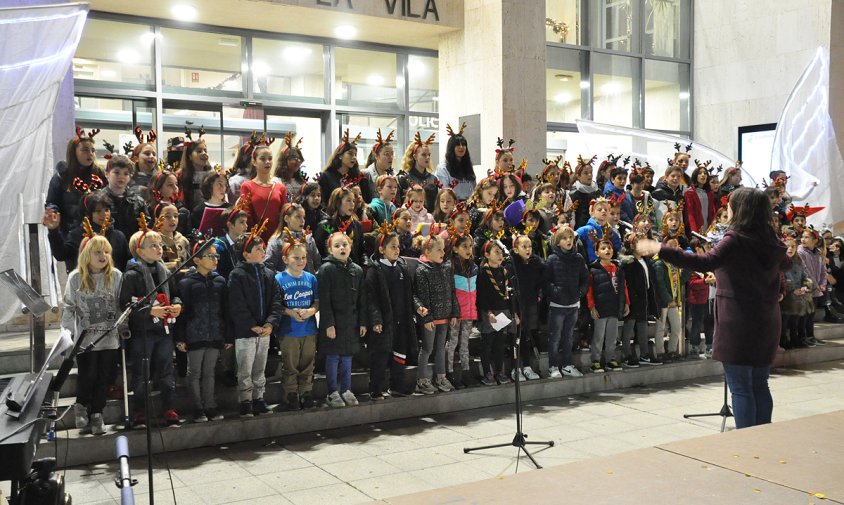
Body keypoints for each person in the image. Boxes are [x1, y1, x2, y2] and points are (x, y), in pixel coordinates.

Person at [636, 187, 789, 429]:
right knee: (760, 383)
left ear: (741, 210)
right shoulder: (771, 240)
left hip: (738, 319)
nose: (727, 208)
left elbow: (704, 262)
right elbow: (784, 266)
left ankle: (748, 439)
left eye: (731, 205)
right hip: (767, 319)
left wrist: (659, 248)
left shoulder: (736, 239)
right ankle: (764, 438)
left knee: (740, 388)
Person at [120, 219, 183, 427]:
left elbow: (174, 294)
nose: (159, 249)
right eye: (153, 246)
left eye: (160, 245)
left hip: (164, 329)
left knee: (166, 371)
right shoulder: (131, 275)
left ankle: (169, 407)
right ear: (140, 250)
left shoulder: (164, 271)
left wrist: (176, 305)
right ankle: (139, 411)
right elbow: (126, 305)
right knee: (141, 373)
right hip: (143, 332)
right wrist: (149, 311)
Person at [64, 235, 124, 435]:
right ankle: (81, 405)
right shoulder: (75, 277)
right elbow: (69, 307)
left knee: (104, 377)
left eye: (106, 251)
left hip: (109, 338)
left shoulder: (115, 276)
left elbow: (120, 306)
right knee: (88, 375)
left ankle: (97, 413)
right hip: (85, 340)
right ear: (86, 255)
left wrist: (123, 327)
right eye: (97, 251)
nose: (103, 255)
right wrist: (68, 335)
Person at [227, 224, 284, 417]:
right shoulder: (237, 275)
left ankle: (259, 398)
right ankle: (245, 401)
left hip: (265, 331)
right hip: (246, 332)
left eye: (263, 248)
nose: (262, 252)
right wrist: (252, 324)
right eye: (258, 249)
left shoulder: (268, 274)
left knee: (260, 368)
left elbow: (277, 300)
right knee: (245, 368)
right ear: (246, 254)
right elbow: (236, 304)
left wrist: (270, 323)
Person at [175, 241, 227, 423]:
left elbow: (225, 311)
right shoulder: (187, 283)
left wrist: (226, 334)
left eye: (216, 256)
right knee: (194, 372)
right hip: (194, 333)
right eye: (210, 256)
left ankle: (210, 405)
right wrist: (180, 337)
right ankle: (198, 408)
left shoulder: (220, 281)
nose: (215, 260)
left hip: (214, 333)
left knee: (210, 371)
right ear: (197, 260)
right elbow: (182, 313)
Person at [363, 225, 417, 399]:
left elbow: (409, 295)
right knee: (380, 356)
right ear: (381, 249)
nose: (397, 249)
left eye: (398, 246)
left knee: (399, 354)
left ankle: (397, 385)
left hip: (401, 320)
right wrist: (376, 320)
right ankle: (375, 388)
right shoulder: (375, 270)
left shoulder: (402, 269)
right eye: (392, 246)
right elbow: (370, 299)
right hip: (384, 322)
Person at [317, 232, 367, 408]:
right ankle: (332, 392)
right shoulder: (326, 270)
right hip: (333, 323)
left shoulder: (357, 271)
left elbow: (362, 299)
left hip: (351, 322)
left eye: (344, 245)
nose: (342, 248)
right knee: (333, 356)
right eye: (337, 246)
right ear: (330, 249)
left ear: (351, 247)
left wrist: (362, 321)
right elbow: (325, 300)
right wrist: (329, 323)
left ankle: (346, 389)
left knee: (347, 355)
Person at [275, 234, 320, 410]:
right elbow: (276, 305)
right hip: (288, 331)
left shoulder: (311, 278)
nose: (300, 261)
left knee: (308, 363)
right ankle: (291, 393)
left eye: (303, 257)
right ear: (285, 259)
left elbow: (316, 301)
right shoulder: (278, 279)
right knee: (290, 365)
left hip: (308, 329)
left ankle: (306, 391)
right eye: (296, 258)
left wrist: (311, 311)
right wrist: (290, 312)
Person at [413, 235, 460, 394]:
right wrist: (426, 318)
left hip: (445, 316)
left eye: (443, 249)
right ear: (427, 252)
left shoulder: (447, 268)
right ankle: (422, 380)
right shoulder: (422, 270)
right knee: (427, 348)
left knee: (441, 348)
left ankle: (440, 377)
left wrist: (454, 313)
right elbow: (421, 296)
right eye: (438, 250)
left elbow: (452, 292)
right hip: (430, 319)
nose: (442, 252)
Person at [44, 129, 108, 240]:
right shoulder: (61, 177)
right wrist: (52, 212)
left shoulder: (100, 175)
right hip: (71, 233)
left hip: (99, 232)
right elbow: (52, 202)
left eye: (93, 150)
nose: (90, 154)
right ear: (73, 152)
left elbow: (107, 201)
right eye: (85, 150)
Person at [47, 192, 131, 273]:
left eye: (107, 210)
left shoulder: (118, 236)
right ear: (87, 214)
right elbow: (61, 255)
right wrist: (53, 230)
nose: (104, 214)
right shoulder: (77, 235)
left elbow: (126, 263)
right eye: (98, 211)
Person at [544, 225, 588, 378]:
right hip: (557, 306)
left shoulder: (578, 258)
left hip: (573, 304)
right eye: (564, 238)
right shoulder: (552, 259)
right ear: (558, 242)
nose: (568, 240)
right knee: (555, 337)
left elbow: (585, 278)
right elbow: (546, 281)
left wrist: (580, 292)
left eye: (570, 237)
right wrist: (555, 293)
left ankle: (568, 365)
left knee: (569, 337)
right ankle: (553, 366)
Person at [476, 240, 519, 385]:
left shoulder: (504, 271)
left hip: (503, 311)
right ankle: (487, 372)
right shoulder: (483, 272)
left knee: (500, 344)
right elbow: (482, 295)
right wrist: (488, 312)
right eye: (496, 252)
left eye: (501, 252)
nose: (500, 255)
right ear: (487, 255)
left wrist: (514, 313)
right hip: (490, 312)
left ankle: (499, 371)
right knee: (487, 343)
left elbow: (509, 295)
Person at [586, 234, 629, 373]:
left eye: (609, 248)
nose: (607, 250)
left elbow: (624, 287)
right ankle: (596, 360)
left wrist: (626, 303)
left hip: (614, 307)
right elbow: (589, 290)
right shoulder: (593, 270)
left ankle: (611, 359)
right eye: (603, 248)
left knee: (612, 335)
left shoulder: (618, 269)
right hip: (601, 307)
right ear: (597, 253)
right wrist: (592, 306)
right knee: (599, 336)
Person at [620, 232, 661, 367]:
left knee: (643, 328)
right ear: (632, 245)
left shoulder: (646, 262)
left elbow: (649, 283)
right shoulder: (629, 263)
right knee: (629, 328)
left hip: (644, 300)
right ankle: (626, 355)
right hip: (632, 301)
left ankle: (644, 355)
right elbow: (628, 284)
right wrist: (629, 301)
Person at [446, 233, 479, 388]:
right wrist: (453, 311)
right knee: (452, 342)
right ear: (455, 248)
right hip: (455, 314)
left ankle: (466, 372)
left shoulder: (474, 267)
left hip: (469, 313)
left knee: (464, 344)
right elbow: (450, 292)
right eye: (464, 246)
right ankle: (449, 372)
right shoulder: (450, 267)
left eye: (470, 246)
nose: (468, 249)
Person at [240, 139, 288, 244]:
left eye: (270, 159)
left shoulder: (280, 187)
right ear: (254, 161)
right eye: (263, 159)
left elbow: (285, 214)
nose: (267, 162)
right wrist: (255, 237)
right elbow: (246, 214)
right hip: (255, 239)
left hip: (277, 239)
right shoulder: (247, 186)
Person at [511, 234, 543, 381]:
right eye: (524, 246)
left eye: (529, 246)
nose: (528, 249)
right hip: (516, 305)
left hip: (530, 303)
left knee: (527, 335)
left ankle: (527, 366)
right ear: (516, 250)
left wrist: (539, 296)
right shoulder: (511, 265)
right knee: (516, 336)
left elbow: (540, 283)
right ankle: (515, 368)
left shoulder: (535, 263)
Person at [264, 202, 321, 275]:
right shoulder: (277, 240)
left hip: (308, 284)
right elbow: (268, 266)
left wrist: (313, 278)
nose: (302, 221)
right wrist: (284, 278)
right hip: (286, 284)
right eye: (298, 217)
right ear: (286, 218)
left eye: (303, 217)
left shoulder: (308, 238)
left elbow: (317, 262)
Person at [313, 187, 364, 266]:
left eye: (353, 201)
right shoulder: (325, 225)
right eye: (348, 200)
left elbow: (362, 250)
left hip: (353, 269)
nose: (352, 204)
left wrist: (365, 265)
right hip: (332, 270)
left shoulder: (357, 225)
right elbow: (319, 253)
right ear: (338, 203)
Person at [103, 154, 148, 240]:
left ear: (130, 177)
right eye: (116, 173)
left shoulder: (138, 201)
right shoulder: (99, 200)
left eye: (126, 174)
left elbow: (146, 226)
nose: (121, 177)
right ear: (107, 174)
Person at [780, 234, 813, 349]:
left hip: (798, 298)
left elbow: (806, 277)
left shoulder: (798, 263)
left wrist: (805, 286)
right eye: (787, 246)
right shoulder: (779, 262)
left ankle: (796, 338)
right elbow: (781, 280)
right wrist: (792, 290)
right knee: (784, 321)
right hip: (786, 297)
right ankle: (783, 340)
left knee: (796, 320)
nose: (790, 249)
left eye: (793, 246)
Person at [320, 130, 367, 203]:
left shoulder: (359, 177)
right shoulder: (326, 176)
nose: (354, 157)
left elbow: (366, 200)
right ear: (340, 155)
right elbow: (324, 201)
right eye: (350, 154)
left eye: (355, 155)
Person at [398, 132, 439, 212]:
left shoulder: (433, 179)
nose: (427, 158)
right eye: (423, 155)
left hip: (429, 219)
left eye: (429, 155)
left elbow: (436, 205)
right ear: (415, 156)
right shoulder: (404, 178)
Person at [435, 122, 476, 201]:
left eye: (463, 145)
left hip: (469, 206)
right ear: (451, 148)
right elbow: (443, 192)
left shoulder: (468, 166)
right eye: (457, 145)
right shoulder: (443, 168)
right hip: (452, 206)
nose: (461, 147)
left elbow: (474, 189)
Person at [176, 128, 213, 212]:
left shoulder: (212, 176)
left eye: (205, 151)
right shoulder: (180, 176)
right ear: (189, 156)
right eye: (199, 151)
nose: (204, 153)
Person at [363, 129, 396, 204]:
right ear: (376, 156)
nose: (390, 157)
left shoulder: (395, 175)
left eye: (392, 154)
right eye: (386, 154)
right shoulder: (366, 175)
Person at [274, 132, 308, 199]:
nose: (297, 161)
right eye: (294, 158)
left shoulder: (300, 182)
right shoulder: (276, 182)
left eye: (299, 159)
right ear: (285, 160)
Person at [569, 155, 599, 229]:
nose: (589, 175)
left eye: (591, 172)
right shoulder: (575, 193)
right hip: (581, 228)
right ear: (578, 176)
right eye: (586, 173)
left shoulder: (597, 190)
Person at [684, 164, 716, 235]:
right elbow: (690, 214)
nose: (703, 175)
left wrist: (713, 228)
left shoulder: (710, 193)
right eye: (700, 173)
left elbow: (712, 212)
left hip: (708, 228)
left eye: (705, 173)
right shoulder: (689, 193)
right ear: (695, 176)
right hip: (695, 228)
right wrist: (694, 232)